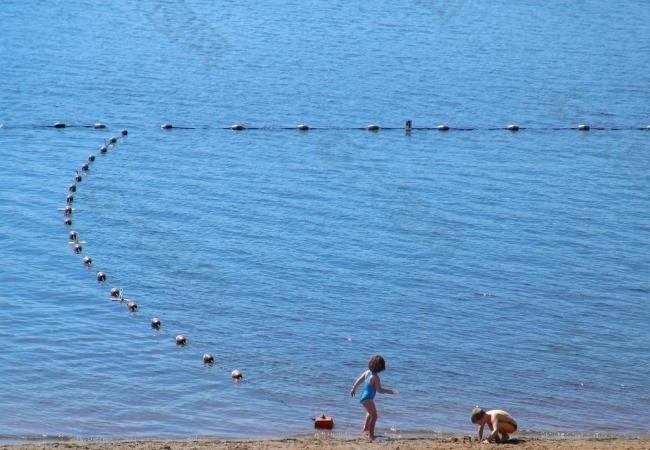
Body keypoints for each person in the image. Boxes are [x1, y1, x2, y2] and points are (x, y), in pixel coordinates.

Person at [350, 354, 397, 441]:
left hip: (363, 398)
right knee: (374, 416)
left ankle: (366, 429)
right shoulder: (376, 377)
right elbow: (379, 390)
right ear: (380, 368)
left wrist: (354, 388)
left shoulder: (367, 372)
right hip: (368, 398)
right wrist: (390, 391)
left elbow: (359, 381)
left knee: (369, 414)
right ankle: (371, 435)